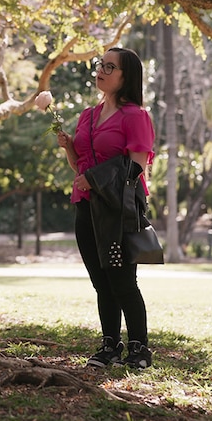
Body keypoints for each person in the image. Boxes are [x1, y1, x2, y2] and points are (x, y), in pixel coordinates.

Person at [56, 47, 156, 369]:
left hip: (119, 210)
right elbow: (79, 167)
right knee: (101, 281)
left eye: (110, 67)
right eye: (101, 64)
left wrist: (93, 178)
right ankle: (110, 346)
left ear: (126, 77)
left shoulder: (135, 116)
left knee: (122, 280)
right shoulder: (87, 115)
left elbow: (136, 166)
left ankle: (139, 349)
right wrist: (70, 148)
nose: (101, 70)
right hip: (86, 208)